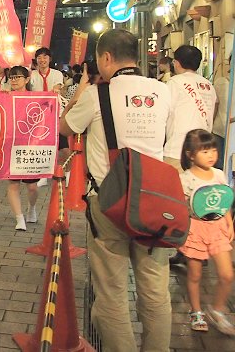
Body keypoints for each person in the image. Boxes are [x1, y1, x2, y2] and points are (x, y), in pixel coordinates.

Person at [60, 29, 172, 352]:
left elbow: (65, 127)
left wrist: (81, 89)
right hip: (154, 203)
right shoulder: (163, 91)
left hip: (108, 203)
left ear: (106, 58)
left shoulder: (97, 95)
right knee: (155, 292)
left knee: (111, 294)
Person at [177, 129, 235, 335]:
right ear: (190, 154)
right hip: (196, 229)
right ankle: (196, 311)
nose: (211, 155)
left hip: (218, 228)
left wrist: (229, 223)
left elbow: (224, 200)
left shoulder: (218, 174)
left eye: (213, 150)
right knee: (195, 275)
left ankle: (217, 310)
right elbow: (180, 206)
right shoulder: (185, 179)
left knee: (227, 274)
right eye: (205, 151)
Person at [164, 45, 217, 174]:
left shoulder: (174, 82)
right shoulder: (208, 85)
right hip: (202, 152)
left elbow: (164, 112)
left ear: (177, 63)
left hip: (177, 150)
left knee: (177, 186)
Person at [4, 65, 40, 230]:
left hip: (31, 148)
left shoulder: (35, 98)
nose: (14, 80)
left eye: (17, 77)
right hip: (11, 146)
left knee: (32, 187)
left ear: (27, 80)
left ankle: (32, 208)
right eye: (11, 77)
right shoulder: (5, 96)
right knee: (13, 184)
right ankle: (19, 218)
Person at [212, 55, 230, 170]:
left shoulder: (220, 82)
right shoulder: (221, 82)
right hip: (223, 129)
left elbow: (215, 106)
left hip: (219, 128)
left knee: (219, 164)